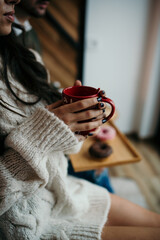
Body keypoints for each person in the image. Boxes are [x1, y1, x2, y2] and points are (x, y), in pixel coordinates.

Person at [0, 1, 160, 239]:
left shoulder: (22, 56)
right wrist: (46, 131)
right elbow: (39, 134)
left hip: (60, 192)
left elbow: (49, 135)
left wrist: (75, 125)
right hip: (30, 224)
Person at [14, 0, 115, 193]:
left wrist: (65, 99)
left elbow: (36, 84)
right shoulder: (8, 39)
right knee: (97, 169)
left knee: (99, 166)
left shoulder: (30, 32)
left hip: (53, 135)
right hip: (40, 144)